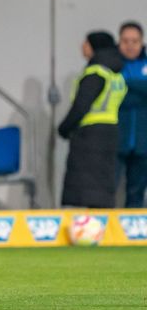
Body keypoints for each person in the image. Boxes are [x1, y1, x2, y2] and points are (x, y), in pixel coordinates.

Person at [58, 31, 127, 208]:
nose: (82, 46)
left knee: (85, 190)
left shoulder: (95, 73)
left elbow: (81, 106)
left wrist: (64, 129)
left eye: (86, 43)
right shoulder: (115, 74)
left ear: (95, 46)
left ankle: (87, 230)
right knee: (102, 188)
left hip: (89, 138)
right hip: (110, 135)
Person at [117, 21, 147, 208]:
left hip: (143, 143)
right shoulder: (111, 65)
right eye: (125, 41)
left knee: (136, 193)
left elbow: (124, 93)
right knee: (106, 192)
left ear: (141, 42)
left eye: (134, 41)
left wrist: (127, 85)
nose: (130, 45)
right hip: (116, 140)